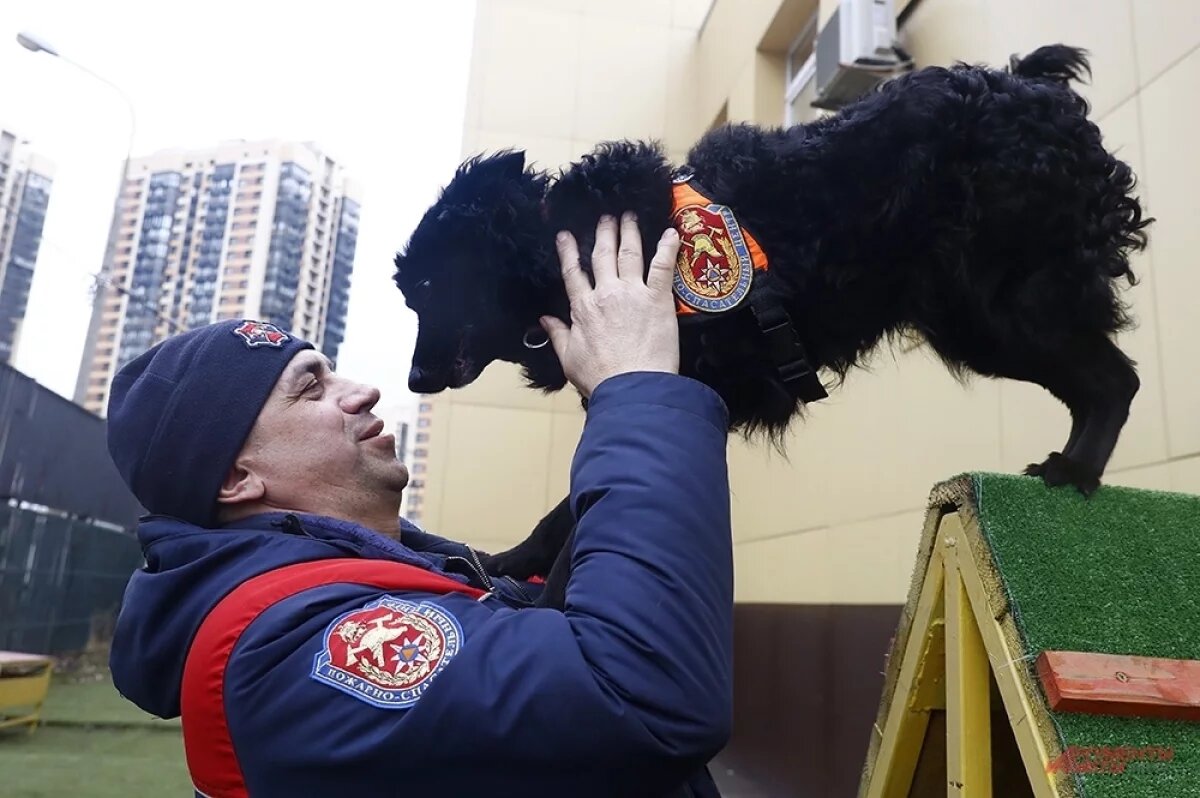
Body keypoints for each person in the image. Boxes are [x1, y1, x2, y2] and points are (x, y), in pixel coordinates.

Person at [105, 214, 734, 797]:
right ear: (237, 479)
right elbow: (635, 695)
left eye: (333, 370)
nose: (364, 391)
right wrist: (638, 392)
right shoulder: (293, 649)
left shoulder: (378, 586)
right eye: (310, 388)